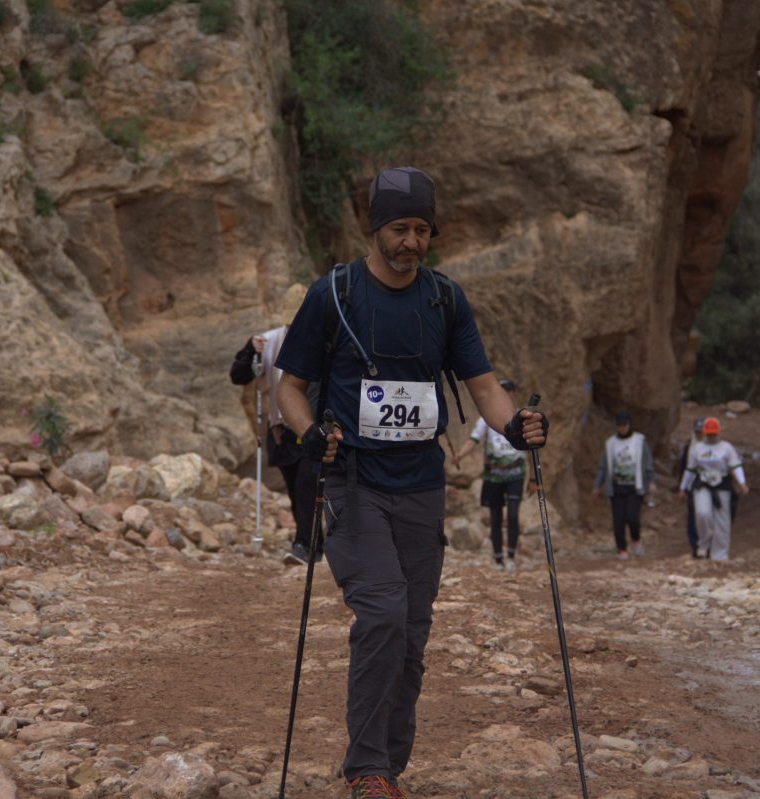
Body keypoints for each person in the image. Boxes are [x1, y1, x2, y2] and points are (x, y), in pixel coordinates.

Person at [274, 166, 548, 799]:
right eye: (400, 229)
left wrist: (517, 427)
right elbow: (289, 388)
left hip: (422, 486)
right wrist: (309, 433)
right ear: (375, 229)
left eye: (423, 230)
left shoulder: (443, 300)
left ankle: (387, 767)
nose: (412, 242)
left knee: (412, 634)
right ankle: (367, 769)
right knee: (382, 613)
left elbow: (484, 387)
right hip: (353, 482)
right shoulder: (334, 294)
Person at [228, 285, 316, 565]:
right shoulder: (270, 341)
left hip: (311, 427)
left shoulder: (322, 341)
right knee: (294, 488)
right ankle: (313, 541)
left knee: (306, 485)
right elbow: (238, 376)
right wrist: (248, 350)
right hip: (282, 430)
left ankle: (305, 544)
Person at [453, 378, 529, 573]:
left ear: (513, 394)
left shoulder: (522, 418)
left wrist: (534, 478)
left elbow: (530, 446)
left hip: (515, 474)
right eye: (503, 390)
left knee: (512, 515)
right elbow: (473, 440)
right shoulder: (485, 419)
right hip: (494, 475)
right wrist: (460, 455)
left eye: (509, 391)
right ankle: (498, 559)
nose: (506, 394)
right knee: (496, 518)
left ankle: (510, 556)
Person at [678, 416, 749, 561]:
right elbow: (690, 469)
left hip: (722, 483)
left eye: (713, 433)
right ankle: (703, 543)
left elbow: (735, 466)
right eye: (709, 433)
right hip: (702, 483)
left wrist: (742, 482)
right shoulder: (696, 448)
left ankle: (720, 554)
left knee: (722, 520)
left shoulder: (727, 448)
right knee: (702, 513)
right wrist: (683, 487)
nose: (711, 436)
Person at [592, 410, 655, 560]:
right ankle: (621, 548)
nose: (622, 428)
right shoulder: (610, 444)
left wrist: (651, 481)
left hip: (635, 486)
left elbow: (647, 463)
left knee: (632, 516)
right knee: (618, 519)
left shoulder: (639, 441)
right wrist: (597, 485)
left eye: (624, 425)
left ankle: (635, 539)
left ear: (629, 425)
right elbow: (603, 466)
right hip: (617, 487)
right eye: (619, 425)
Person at [676, 418, 705, 557]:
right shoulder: (690, 446)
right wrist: (682, 487)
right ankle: (695, 547)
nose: (699, 434)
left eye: (701, 431)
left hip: (710, 485)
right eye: (697, 431)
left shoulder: (716, 446)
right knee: (693, 516)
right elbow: (684, 467)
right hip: (692, 486)